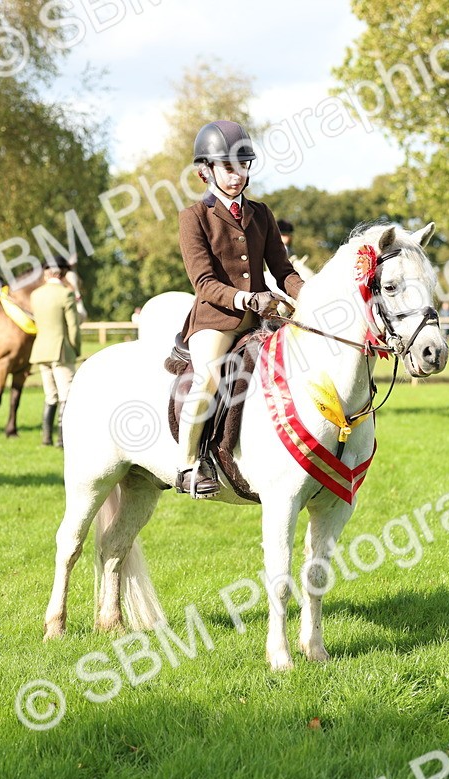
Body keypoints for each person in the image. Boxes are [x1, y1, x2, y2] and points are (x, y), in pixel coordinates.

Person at [175, 120, 305, 498]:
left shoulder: (261, 213)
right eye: (229, 168)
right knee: (209, 378)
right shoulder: (193, 218)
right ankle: (186, 464)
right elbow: (203, 283)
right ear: (206, 171)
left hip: (264, 317)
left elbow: (283, 271)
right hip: (216, 320)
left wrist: (310, 295)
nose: (237, 175)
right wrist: (246, 298)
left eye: (243, 166)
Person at [29, 257, 82, 447]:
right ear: (61, 273)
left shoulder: (35, 295)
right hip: (61, 350)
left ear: (47, 273)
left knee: (50, 395)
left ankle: (46, 438)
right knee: (66, 395)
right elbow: (73, 327)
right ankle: (62, 439)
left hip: (41, 350)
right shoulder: (66, 294)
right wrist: (75, 348)